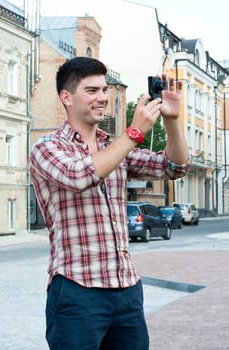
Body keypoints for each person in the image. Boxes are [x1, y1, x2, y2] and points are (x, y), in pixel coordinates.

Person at [30, 56, 189, 350]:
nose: (102, 97)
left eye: (104, 90)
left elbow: (173, 166)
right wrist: (133, 132)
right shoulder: (46, 147)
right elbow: (78, 175)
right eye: (92, 91)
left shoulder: (114, 148)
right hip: (78, 290)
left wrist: (172, 120)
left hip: (127, 290)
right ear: (66, 97)